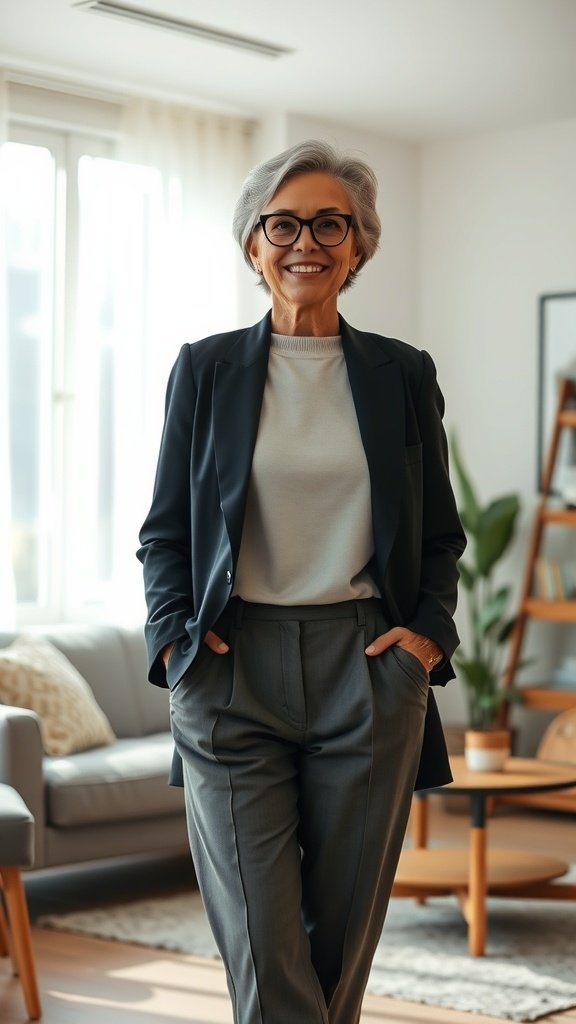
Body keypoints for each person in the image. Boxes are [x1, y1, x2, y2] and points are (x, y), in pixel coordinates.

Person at [137, 139, 466, 1024]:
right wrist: (174, 636)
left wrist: (426, 638)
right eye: (283, 223)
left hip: (367, 663)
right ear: (253, 244)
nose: (305, 241)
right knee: (261, 934)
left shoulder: (402, 373)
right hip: (227, 661)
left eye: (331, 223)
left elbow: (440, 533)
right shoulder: (205, 370)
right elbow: (165, 531)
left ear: (358, 247)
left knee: (341, 937)